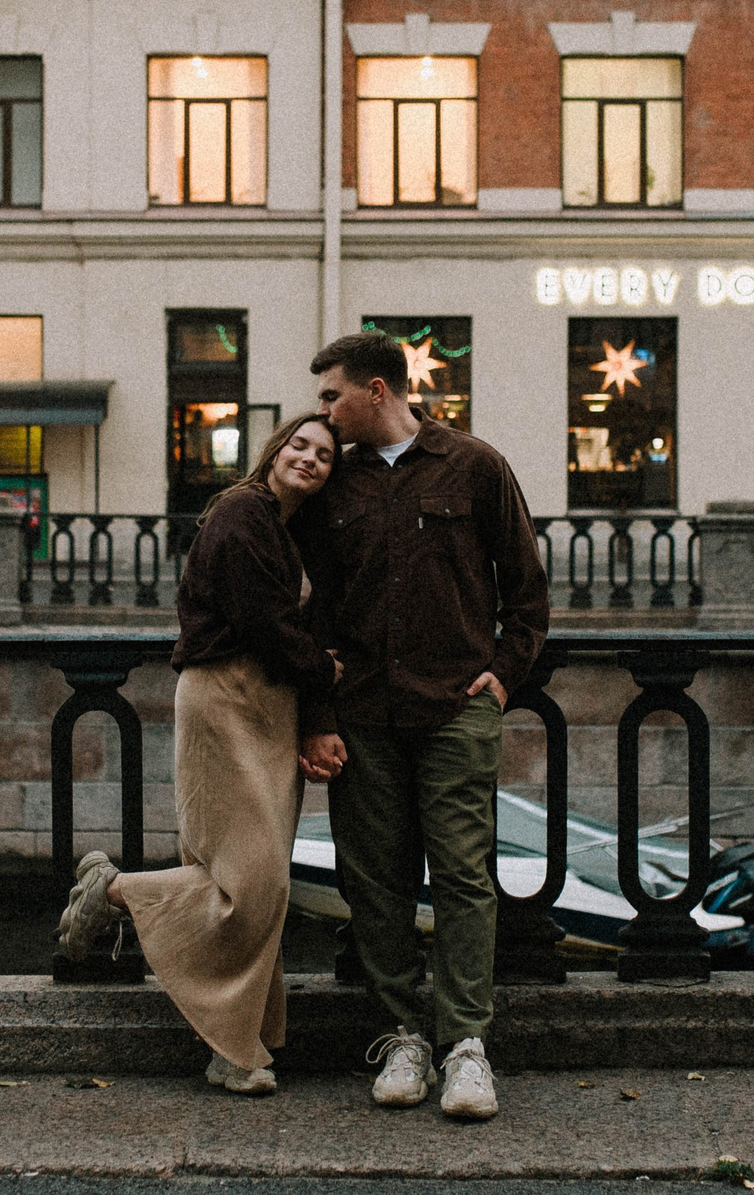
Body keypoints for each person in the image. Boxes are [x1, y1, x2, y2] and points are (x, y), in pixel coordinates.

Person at [299, 330, 548, 1123]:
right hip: (363, 712)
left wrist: (502, 677)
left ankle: (467, 1045)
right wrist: (319, 711)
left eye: (332, 394)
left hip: (453, 706)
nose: (322, 410)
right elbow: (316, 608)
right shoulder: (334, 483)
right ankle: (404, 1036)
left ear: (376, 389)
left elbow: (528, 589)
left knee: (464, 876)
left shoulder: (475, 466)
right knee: (374, 880)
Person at [54, 412, 340, 1095]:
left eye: (325, 455)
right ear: (275, 449)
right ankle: (116, 891)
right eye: (299, 444)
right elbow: (262, 621)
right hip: (226, 696)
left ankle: (237, 1047)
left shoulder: (292, 530)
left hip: (270, 704)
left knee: (251, 878)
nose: (309, 458)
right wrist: (325, 668)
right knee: (255, 884)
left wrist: (312, 703)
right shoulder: (242, 513)